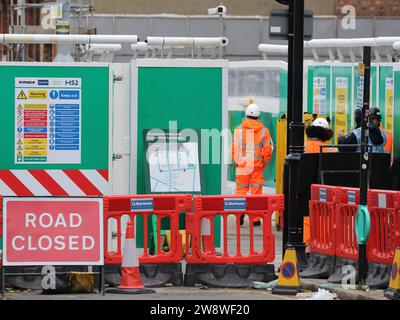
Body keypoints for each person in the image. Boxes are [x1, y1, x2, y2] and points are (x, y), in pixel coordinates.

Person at [231, 104, 272, 226]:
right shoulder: (264, 131)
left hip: (242, 165)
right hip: (257, 166)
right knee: (256, 192)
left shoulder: (238, 130)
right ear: (258, 116)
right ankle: (255, 219)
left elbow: (234, 148)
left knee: (241, 190)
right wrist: (264, 162)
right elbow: (267, 149)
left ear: (246, 115)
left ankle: (239, 215)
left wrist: (236, 162)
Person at [303, 117, 336, 248]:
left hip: (307, 189)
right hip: (326, 190)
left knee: (307, 217)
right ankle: (325, 244)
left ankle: (308, 244)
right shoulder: (331, 149)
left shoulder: (303, 148)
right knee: (326, 217)